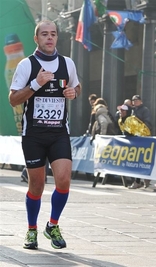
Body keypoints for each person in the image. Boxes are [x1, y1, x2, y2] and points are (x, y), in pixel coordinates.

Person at [8, 20, 80, 250]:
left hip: (59, 132)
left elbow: (77, 88)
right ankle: (31, 230)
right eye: (45, 34)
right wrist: (36, 84)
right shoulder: (26, 65)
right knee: (37, 186)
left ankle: (53, 224)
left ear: (57, 38)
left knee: (64, 180)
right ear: (36, 38)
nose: (50, 38)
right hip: (34, 135)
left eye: (53, 34)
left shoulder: (67, 63)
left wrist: (72, 92)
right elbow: (13, 99)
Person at [129, 95, 152, 189]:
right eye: (133, 100)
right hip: (135, 136)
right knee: (136, 160)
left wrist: (141, 129)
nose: (134, 102)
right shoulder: (133, 110)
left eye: (136, 100)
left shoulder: (144, 110)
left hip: (143, 136)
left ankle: (146, 179)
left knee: (144, 159)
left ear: (141, 101)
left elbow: (147, 122)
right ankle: (137, 181)